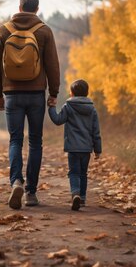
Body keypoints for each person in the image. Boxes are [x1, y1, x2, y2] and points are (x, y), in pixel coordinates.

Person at [0, 0, 60, 209]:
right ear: (36, 9)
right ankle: (30, 193)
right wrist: (54, 93)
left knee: (15, 140)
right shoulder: (44, 31)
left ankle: (16, 182)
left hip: (11, 94)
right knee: (35, 141)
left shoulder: (4, 30)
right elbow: (52, 65)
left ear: (19, 7)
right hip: (36, 94)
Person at [48, 79, 102, 211]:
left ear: (71, 93)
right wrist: (98, 150)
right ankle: (82, 198)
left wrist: (51, 107)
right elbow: (96, 131)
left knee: (74, 173)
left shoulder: (68, 107)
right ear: (87, 93)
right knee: (83, 173)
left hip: (73, 147)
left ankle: (75, 193)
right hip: (86, 149)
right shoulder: (92, 109)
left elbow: (58, 120)